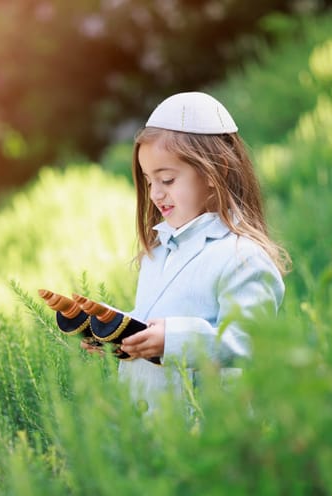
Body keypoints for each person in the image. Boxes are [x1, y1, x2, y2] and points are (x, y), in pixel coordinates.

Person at [86, 91, 290, 414]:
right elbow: (159, 319)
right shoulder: (159, 251)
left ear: (215, 172)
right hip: (151, 424)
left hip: (208, 428)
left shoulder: (242, 257)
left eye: (167, 180)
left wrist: (173, 341)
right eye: (149, 182)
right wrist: (119, 335)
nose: (155, 194)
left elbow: (249, 341)